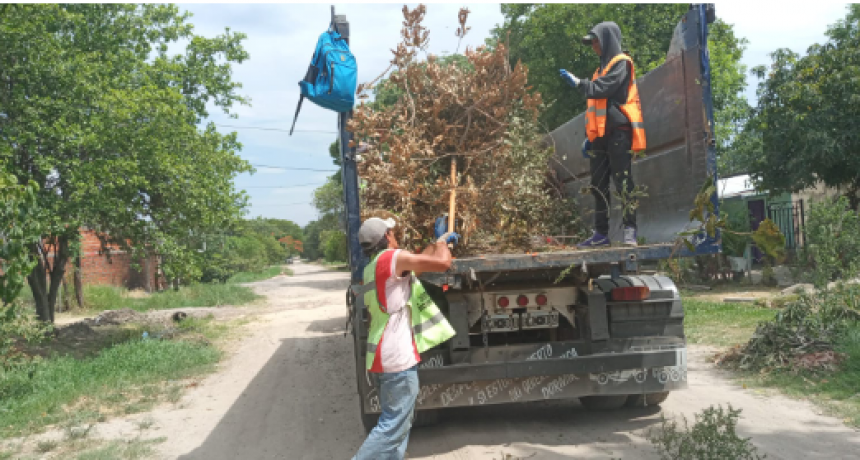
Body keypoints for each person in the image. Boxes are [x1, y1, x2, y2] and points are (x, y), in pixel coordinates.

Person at [352, 216, 459, 460]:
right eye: (392, 231)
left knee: (399, 426)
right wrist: (444, 244)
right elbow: (442, 263)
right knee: (392, 427)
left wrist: (437, 241)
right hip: (396, 360)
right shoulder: (392, 259)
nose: (395, 234)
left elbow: (423, 260)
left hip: (381, 358)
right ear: (387, 237)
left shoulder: (373, 267)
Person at [559, 21, 647, 248]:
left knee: (623, 181)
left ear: (608, 40)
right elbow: (596, 107)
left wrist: (580, 83)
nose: (594, 46)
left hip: (619, 132)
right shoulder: (599, 70)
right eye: (591, 42)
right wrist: (591, 137)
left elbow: (604, 89)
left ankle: (630, 230)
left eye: (596, 41)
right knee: (598, 185)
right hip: (600, 136)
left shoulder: (622, 64)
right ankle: (601, 234)